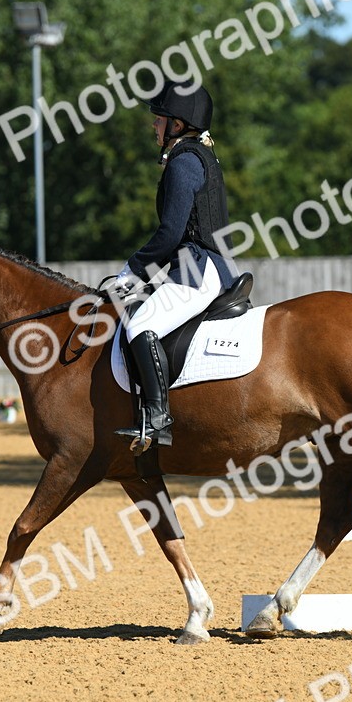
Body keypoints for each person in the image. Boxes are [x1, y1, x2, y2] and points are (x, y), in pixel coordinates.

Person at [110, 80, 235, 449]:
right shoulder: (198, 156)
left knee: (140, 325)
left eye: (159, 118)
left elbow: (169, 234)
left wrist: (129, 272)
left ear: (176, 125)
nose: (154, 125)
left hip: (199, 269)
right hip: (196, 265)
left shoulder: (184, 162)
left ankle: (158, 417)